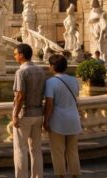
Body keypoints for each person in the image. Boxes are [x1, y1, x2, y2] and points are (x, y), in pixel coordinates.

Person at [44, 54, 81, 178]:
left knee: (58, 151)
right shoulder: (74, 80)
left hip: (58, 121)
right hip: (74, 118)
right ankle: (75, 175)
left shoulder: (51, 82)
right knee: (73, 150)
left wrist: (46, 120)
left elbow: (49, 103)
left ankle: (61, 176)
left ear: (53, 66)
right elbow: (76, 96)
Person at [12, 43, 46, 178]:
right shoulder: (41, 71)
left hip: (24, 114)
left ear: (21, 55)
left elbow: (20, 96)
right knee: (36, 149)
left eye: (15, 54)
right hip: (38, 113)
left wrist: (15, 114)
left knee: (20, 149)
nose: (14, 56)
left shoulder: (21, 72)